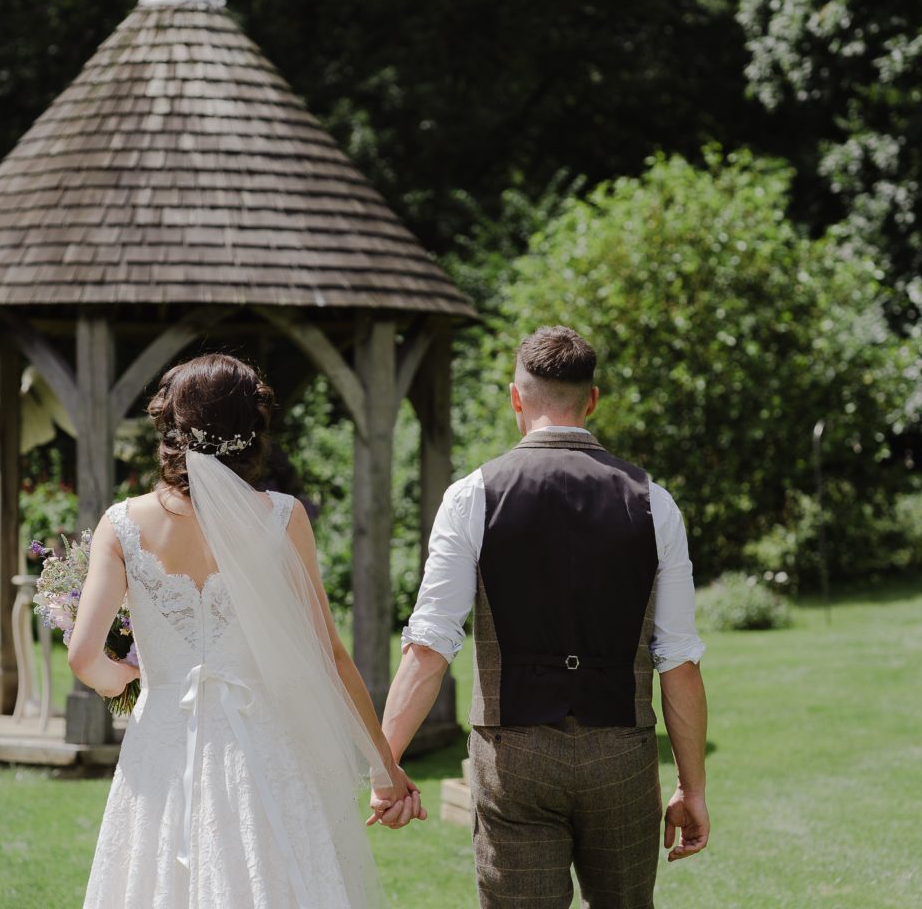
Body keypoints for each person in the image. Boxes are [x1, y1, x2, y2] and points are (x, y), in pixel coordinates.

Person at [68, 353, 423, 909]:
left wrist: (129, 680)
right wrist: (385, 770)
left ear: (170, 428)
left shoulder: (120, 525)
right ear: (249, 431)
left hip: (162, 746)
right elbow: (329, 656)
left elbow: (83, 657)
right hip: (263, 750)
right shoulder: (283, 517)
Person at [379, 326, 711, 908]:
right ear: (593, 399)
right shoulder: (654, 501)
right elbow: (678, 660)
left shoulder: (471, 496)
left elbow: (430, 646)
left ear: (516, 398)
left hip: (514, 759)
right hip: (623, 756)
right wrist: (691, 786)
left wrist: (386, 765)